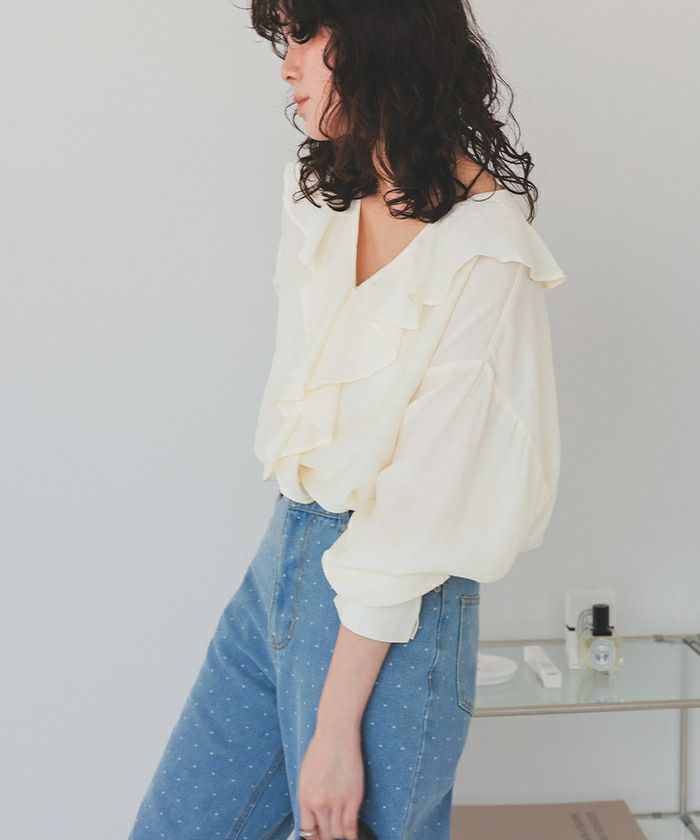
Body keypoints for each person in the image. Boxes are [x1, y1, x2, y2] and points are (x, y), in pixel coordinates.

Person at [127, 2, 567, 839]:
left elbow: (421, 507)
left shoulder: (486, 252)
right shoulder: (319, 200)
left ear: (375, 34)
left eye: (304, 36)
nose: (286, 64)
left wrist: (334, 729)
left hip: (397, 619)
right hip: (280, 568)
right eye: (282, 39)